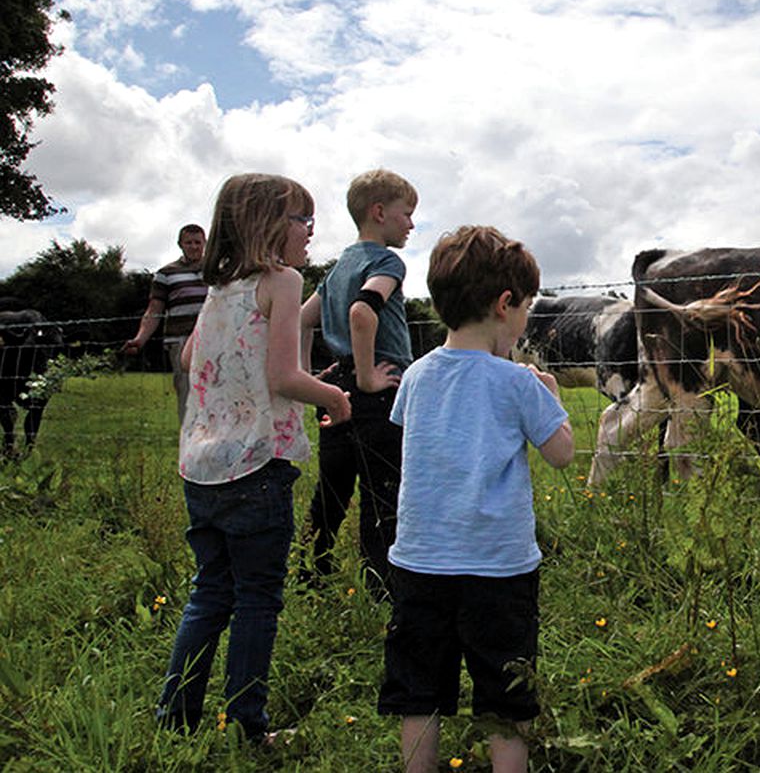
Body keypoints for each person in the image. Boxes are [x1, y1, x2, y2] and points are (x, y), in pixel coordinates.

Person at [156, 174, 352, 744]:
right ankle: (247, 726)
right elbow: (282, 375)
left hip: (202, 464)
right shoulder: (282, 282)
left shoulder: (219, 288)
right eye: (302, 221)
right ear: (269, 226)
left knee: (209, 591)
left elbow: (194, 358)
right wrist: (332, 397)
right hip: (257, 467)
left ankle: (177, 717)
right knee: (258, 599)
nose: (310, 232)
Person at [378, 225, 573, 773]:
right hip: (499, 568)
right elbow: (562, 455)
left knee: (419, 689)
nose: (527, 317)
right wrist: (551, 397)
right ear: (505, 303)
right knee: (505, 693)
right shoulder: (518, 383)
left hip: (420, 562)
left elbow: (410, 433)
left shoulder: (415, 376)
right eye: (527, 306)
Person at [299, 169, 417, 597]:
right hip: (375, 392)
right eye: (406, 214)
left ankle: (311, 573)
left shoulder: (336, 269)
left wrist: (305, 374)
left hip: (335, 391)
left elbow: (300, 320)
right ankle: (380, 587)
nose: (411, 224)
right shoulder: (386, 262)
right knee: (380, 491)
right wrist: (368, 376)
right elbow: (363, 313)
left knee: (331, 489)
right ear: (379, 212)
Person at [123, 224, 208, 422]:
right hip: (180, 341)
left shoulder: (218, 271)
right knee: (187, 396)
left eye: (198, 242)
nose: (194, 247)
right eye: (189, 242)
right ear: (180, 245)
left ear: (205, 243)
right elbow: (154, 311)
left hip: (214, 339)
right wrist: (139, 339)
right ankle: (188, 444)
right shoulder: (166, 274)